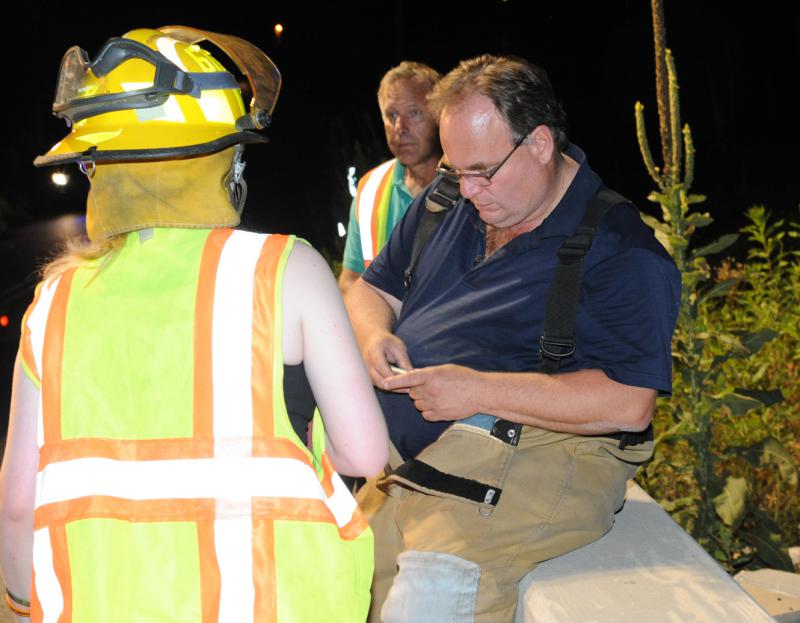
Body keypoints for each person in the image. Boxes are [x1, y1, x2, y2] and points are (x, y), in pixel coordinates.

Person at [0, 26, 388, 623]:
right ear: (224, 162)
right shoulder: (284, 267)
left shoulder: (53, 299)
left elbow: (17, 499)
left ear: (98, 163)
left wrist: (20, 600)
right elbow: (364, 452)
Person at [346, 55, 681, 622]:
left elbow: (628, 403)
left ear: (541, 143)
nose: (469, 189)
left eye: (483, 171)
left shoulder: (620, 251)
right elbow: (368, 292)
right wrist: (374, 335)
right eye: (456, 169)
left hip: (530, 455)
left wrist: (476, 392)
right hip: (409, 461)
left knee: (425, 598)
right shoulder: (446, 200)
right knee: (339, 580)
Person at [338, 62, 441, 294]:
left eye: (414, 113)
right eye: (391, 115)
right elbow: (351, 279)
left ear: (440, 114)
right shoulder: (369, 190)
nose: (399, 128)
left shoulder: (474, 184)